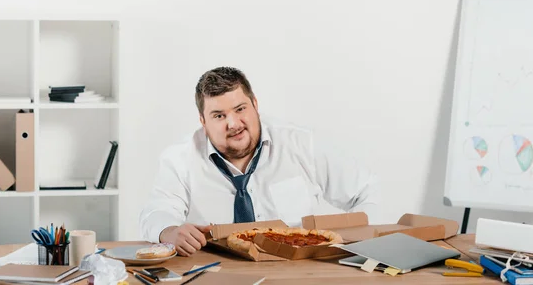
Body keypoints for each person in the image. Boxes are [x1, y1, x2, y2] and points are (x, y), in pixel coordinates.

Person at [139, 67, 378, 257]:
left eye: (240, 109)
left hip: (296, 270)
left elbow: (367, 190)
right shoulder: (179, 158)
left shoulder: (302, 144)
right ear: (203, 120)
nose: (233, 124)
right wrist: (169, 231)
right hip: (217, 273)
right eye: (219, 115)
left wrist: (357, 247)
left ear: (255, 104)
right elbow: (156, 212)